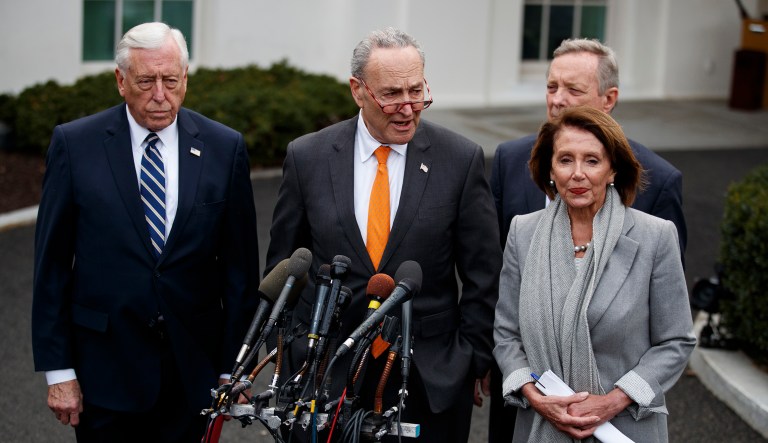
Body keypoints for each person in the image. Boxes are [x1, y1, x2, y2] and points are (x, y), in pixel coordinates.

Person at [265, 27, 502, 442]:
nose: (408, 108)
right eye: (392, 94)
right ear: (358, 90)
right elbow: (286, 266)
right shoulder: (308, 157)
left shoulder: (459, 160)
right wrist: (294, 351)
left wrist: (470, 359)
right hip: (324, 378)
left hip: (427, 379)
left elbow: (485, 275)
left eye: (417, 91)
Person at [32, 22, 260, 442]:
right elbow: (51, 266)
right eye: (146, 81)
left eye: (171, 81)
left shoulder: (223, 148)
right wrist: (58, 371)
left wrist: (235, 368)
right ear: (121, 81)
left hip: (193, 373)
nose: (160, 94)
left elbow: (240, 271)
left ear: (185, 79)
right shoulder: (75, 144)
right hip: (104, 370)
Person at [484, 38, 688, 443]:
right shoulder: (523, 226)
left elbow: (673, 334)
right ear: (550, 171)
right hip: (536, 421)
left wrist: (612, 401)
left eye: (592, 161)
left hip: (623, 426)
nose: (578, 173)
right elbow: (505, 324)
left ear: (613, 169)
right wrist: (531, 392)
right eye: (551, 87)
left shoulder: (654, 226)